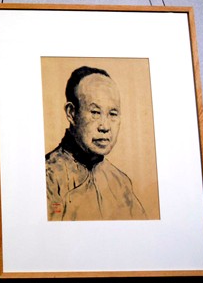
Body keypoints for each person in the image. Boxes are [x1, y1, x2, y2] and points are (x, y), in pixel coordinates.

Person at [45, 66, 147, 221]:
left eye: (113, 114)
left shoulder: (120, 182)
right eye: (95, 112)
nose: (105, 127)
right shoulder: (48, 177)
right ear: (71, 113)